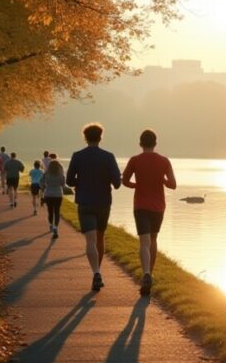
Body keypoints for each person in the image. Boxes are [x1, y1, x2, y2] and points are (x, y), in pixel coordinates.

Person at [66, 123, 121, 292]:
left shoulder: (77, 156)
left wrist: (79, 183)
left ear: (85, 137)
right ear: (100, 137)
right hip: (103, 202)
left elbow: (69, 181)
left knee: (90, 240)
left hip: (85, 201)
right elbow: (117, 184)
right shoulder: (108, 156)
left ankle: (96, 272)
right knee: (100, 237)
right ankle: (98, 271)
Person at [122, 129, 176, 296]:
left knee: (144, 241)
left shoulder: (135, 160)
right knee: (153, 239)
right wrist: (162, 180)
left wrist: (135, 186)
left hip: (140, 205)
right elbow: (172, 184)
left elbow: (124, 180)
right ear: (155, 143)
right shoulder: (164, 161)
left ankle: (146, 273)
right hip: (158, 206)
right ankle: (150, 274)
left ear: (140, 143)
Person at [41, 159, 65, 239]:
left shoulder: (46, 173)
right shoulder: (60, 174)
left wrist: (44, 188)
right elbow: (63, 184)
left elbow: (41, 182)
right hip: (58, 194)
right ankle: (56, 227)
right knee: (57, 211)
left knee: (50, 211)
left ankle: (51, 224)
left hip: (48, 194)